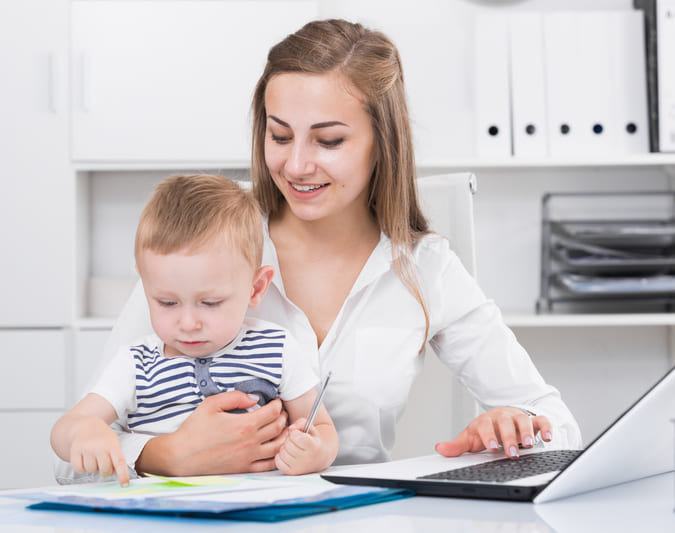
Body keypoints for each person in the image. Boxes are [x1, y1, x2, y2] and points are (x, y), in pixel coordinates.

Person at [55, 18, 581, 484]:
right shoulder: (208, 237)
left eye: (328, 141)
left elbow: (558, 427)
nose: (297, 165)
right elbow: (70, 462)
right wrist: (168, 455)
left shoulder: (425, 268)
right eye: (280, 136)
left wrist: (516, 426)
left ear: (383, 142)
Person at [51, 174, 338, 486]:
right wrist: (86, 430)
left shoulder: (276, 347)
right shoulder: (135, 364)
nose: (188, 323)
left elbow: (321, 427)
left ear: (256, 288)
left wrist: (315, 451)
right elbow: (66, 428)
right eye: (167, 302)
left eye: (210, 302)